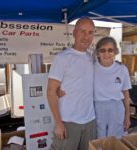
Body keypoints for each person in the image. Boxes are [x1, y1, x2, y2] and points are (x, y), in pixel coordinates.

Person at [47, 17, 96, 150]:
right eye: (82, 31)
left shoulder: (92, 58)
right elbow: (51, 92)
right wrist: (58, 123)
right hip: (68, 122)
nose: (86, 36)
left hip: (90, 121)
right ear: (74, 33)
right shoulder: (62, 58)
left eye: (90, 32)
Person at [94, 36, 131, 138]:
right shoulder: (92, 67)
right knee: (99, 139)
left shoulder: (122, 69)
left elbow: (126, 93)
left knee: (116, 139)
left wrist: (127, 115)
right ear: (98, 52)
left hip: (117, 108)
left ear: (115, 52)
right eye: (102, 50)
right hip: (97, 107)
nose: (106, 54)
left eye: (110, 50)